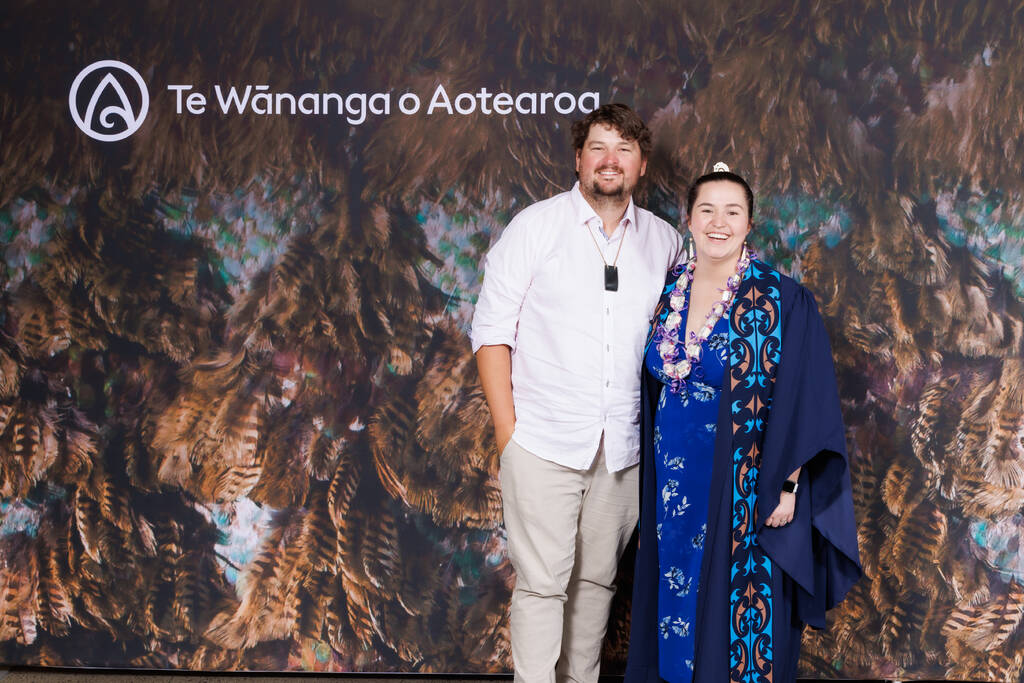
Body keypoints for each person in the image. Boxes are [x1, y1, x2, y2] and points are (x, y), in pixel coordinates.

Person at [470, 103, 684, 683]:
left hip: (622, 451)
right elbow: (491, 333)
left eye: (623, 149)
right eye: (597, 147)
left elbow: (685, 337)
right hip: (541, 443)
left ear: (641, 166)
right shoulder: (534, 228)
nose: (609, 160)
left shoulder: (666, 244)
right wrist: (507, 434)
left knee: (596, 586)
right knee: (543, 585)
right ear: (578, 159)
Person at [624, 164, 862, 683]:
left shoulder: (780, 300)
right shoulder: (668, 293)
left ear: (750, 223)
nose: (718, 222)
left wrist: (789, 484)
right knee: (676, 601)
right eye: (706, 210)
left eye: (732, 212)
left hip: (745, 482)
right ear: (688, 218)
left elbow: (806, 397)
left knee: (737, 617)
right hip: (670, 485)